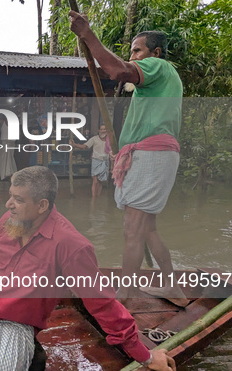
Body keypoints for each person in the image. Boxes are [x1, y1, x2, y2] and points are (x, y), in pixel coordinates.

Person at [0, 166, 176, 371]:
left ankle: (1, 336)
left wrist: (145, 356)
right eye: (11, 195)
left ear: (42, 205)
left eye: (18, 199)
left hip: (13, 317)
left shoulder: (71, 245)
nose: (8, 204)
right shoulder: (8, 221)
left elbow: (102, 303)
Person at [69, 12, 187, 304]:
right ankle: (172, 288)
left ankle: (127, 293)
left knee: (132, 229)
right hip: (152, 153)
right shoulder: (158, 82)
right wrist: (120, 150)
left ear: (155, 53)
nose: (133, 56)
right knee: (147, 230)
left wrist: (87, 33)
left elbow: (117, 70)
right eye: (132, 51)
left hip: (152, 154)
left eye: (138, 50)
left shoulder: (157, 66)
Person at [71, 124, 110, 197]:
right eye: (101, 129)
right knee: (95, 181)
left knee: (100, 181)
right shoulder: (94, 139)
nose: (103, 131)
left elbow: (113, 152)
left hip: (105, 161)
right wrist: (74, 144)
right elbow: (84, 146)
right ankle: (93, 199)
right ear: (99, 131)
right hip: (96, 161)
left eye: (104, 129)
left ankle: (97, 197)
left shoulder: (110, 140)